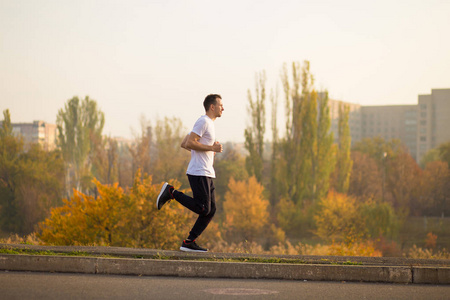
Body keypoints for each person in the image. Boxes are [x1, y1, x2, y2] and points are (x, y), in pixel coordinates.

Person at [156, 94, 224, 252]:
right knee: (202, 209)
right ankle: (171, 192)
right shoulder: (204, 121)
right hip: (199, 171)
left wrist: (208, 151)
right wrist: (212, 148)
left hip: (206, 171)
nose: (223, 108)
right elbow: (189, 143)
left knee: (210, 210)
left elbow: (185, 143)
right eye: (220, 105)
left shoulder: (208, 123)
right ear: (212, 107)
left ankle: (189, 242)